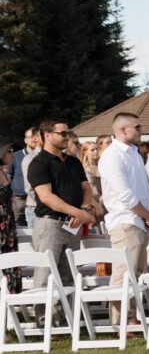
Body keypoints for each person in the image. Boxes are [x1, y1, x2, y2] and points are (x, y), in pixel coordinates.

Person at [99, 112, 149, 327]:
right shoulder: (112, 155)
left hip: (141, 219)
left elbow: (145, 186)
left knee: (137, 272)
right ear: (123, 130)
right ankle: (119, 321)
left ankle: (131, 316)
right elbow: (125, 195)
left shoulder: (134, 153)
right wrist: (146, 214)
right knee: (124, 271)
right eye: (138, 127)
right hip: (125, 220)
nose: (141, 131)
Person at [28, 120, 94, 295]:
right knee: (45, 278)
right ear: (47, 136)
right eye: (63, 133)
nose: (68, 136)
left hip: (73, 224)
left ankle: (69, 319)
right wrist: (78, 212)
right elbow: (46, 197)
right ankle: (44, 322)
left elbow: (86, 189)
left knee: (69, 277)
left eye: (68, 132)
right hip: (50, 225)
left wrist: (85, 209)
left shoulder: (73, 161)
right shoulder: (38, 163)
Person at [0, 140, 22, 293]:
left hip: (8, 221)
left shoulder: (4, 172)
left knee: (10, 256)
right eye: (8, 151)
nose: (12, 154)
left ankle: (11, 296)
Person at [6, 127, 39, 227]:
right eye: (31, 137)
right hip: (19, 201)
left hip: (35, 201)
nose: (34, 139)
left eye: (35, 137)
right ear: (25, 140)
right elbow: (8, 176)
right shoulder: (15, 156)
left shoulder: (41, 156)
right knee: (19, 231)